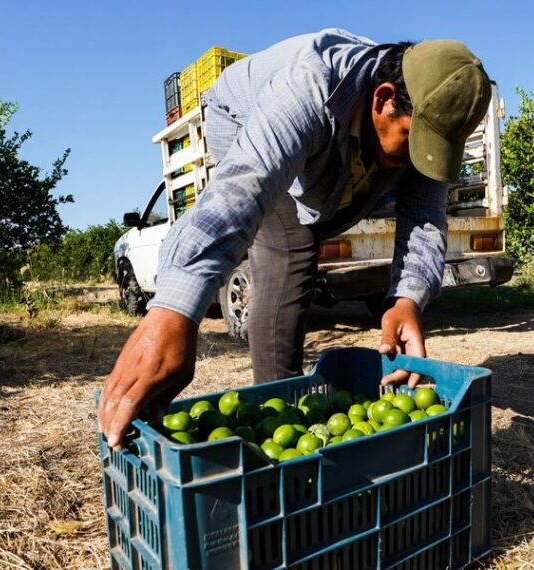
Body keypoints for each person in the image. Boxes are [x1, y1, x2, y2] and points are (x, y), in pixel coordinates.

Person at [99, 29, 491, 449]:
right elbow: (242, 190)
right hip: (238, 119)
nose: (419, 158)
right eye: (415, 141)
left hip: (336, 141)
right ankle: (276, 403)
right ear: (383, 99)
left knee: (361, 192)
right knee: (290, 248)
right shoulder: (309, 87)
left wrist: (406, 300)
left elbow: (424, 217)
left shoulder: (421, 116)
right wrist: (174, 311)